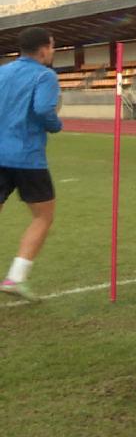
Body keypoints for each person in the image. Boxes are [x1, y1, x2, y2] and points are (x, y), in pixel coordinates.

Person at [0, 27, 62, 302]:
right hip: (27, 157)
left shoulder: (3, 72)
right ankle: (16, 277)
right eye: (52, 46)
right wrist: (56, 124)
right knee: (43, 216)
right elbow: (42, 110)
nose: (53, 50)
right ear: (43, 49)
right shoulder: (45, 75)